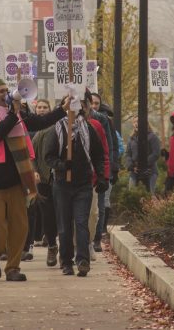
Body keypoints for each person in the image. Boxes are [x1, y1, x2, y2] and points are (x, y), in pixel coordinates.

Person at [0, 79, 68, 282]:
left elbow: (40, 122)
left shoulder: (15, 113)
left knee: (19, 226)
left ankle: (13, 268)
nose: (6, 93)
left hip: (18, 176)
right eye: (1, 91)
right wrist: (12, 113)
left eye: (7, 90)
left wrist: (62, 109)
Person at [44, 92, 107, 277]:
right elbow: (49, 156)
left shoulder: (88, 129)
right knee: (64, 225)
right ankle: (66, 261)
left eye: (77, 104)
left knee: (81, 222)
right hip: (63, 184)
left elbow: (97, 154)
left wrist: (102, 176)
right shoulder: (56, 130)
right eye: (69, 104)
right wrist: (62, 165)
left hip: (83, 184)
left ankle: (83, 260)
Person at [31, 99, 59, 267]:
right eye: (39, 107)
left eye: (45, 107)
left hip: (62, 178)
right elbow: (32, 155)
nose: (42, 110)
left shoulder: (67, 130)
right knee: (48, 215)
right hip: (44, 179)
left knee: (63, 214)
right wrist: (34, 171)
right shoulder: (40, 132)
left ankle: (68, 250)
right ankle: (52, 245)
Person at [89, 93, 118, 253]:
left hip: (99, 169)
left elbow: (110, 145)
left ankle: (96, 239)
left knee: (99, 207)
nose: (93, 106)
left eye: (96, 103)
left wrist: (111, 169)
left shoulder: (103, 120)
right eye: (91, 103)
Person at [125, 117, 161, 193]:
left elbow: (156, 153)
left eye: (138, 121)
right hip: (135, 172)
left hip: (150, 171)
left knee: (150, 197)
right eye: (134, 122)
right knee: (132, 195)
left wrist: (142, 164)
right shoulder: (131, 138)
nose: (136, 123)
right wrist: (131, 166)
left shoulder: (152, 137)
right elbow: (128, 154)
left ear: (146, 124)